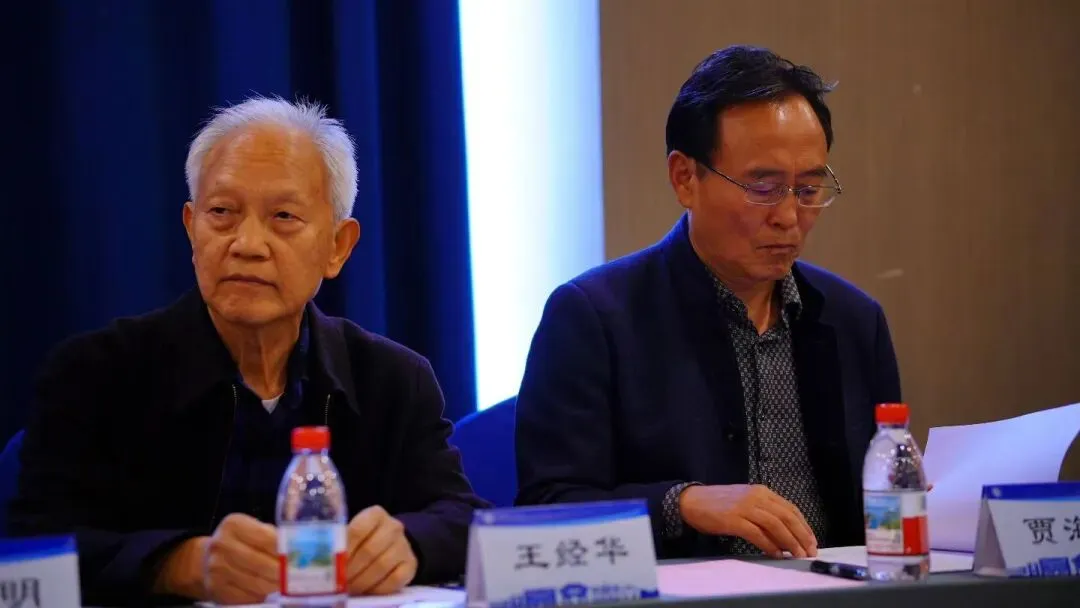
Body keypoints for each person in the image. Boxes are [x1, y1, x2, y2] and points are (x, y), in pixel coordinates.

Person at [9, 97, 488, 606]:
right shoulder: (95, 375)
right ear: (191, 229)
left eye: (283, 216)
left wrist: (410, 543)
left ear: (338, 247)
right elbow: (34, 545)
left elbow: (463, 518)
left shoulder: (392, 380)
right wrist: (175, 564)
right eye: (222, 213)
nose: (248, 244)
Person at [515, 46, 902, 560]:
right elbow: (547, 509)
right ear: (685, 178)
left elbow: (886, 494)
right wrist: (683, 504)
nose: (789, 216)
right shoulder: (593, 318)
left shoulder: (854, 320)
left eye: (808, 189)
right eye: (764, 188)